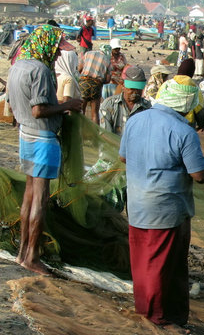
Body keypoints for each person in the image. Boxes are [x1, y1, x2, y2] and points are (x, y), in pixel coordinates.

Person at [119, 75, 204, 328]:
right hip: (167, 209)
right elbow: (199, 174)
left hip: (137, 204)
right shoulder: (184, 131)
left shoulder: (135, 120)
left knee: (143, 264)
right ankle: (158, 318)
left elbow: (124, 158)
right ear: (187, 103)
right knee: (163, 268)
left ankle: (155, 313)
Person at [6, 25, 83, 275]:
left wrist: (56, 104)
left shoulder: (18, 65)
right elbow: (39, 109)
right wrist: (67, 105)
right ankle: (32, 256)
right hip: (43, 138)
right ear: (47, 46)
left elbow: (21, 106)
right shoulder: (40, 70)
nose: (59, 55)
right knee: (40, 198)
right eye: (57, 50)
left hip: (25, 135)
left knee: (29, 195)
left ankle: (22, 253)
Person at [99, 65, 151, 135]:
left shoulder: (147, 107)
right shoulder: (109, 105)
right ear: (122, 85)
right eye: (131, 89)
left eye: (139, 89)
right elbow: (106, 135)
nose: (135, 92)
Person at [78, 45, 112, 123]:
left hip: (84, 82)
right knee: (95, 113)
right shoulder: (108, 60)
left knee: (81, 110)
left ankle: (80, 131)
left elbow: (79, 69)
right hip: (96, 84)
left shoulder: (88, 53)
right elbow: (107, 80)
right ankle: (96, 133)